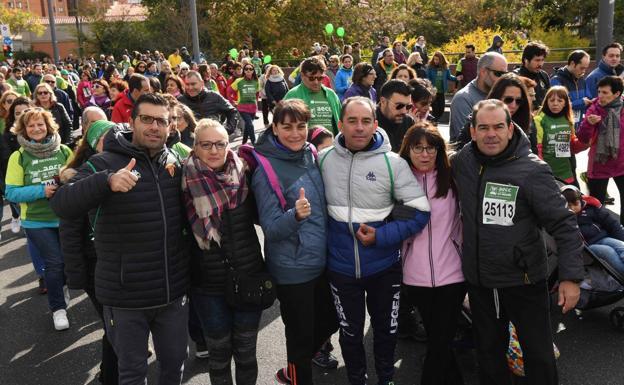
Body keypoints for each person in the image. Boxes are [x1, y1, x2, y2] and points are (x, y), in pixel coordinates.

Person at [50, 93, 190, 385]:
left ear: (170, 126)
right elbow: (62, 204)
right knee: (132, 373)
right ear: (131, 121)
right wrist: (106, 181)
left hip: (171, 292)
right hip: (125, 296)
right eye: (147, 119)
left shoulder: (174, 161)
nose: (154, 127)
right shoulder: (103, 162)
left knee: (175, 366)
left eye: (161, 121)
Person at [452, 99, 583, 385]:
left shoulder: (532, 170)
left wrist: (571, 277)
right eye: (483, 127)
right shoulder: (464, 161)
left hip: (523, 282)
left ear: (511, 129)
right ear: (472, 131)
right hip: (481, 282)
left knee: (538, 356)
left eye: (498, 126)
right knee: (488, 354)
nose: (491, 134)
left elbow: (564, 224)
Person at [319, 96, 430, 385]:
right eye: (352, 121)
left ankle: (386, 378)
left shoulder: (393, 164)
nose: (359, 128)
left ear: (375, 124)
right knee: (351, 333)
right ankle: (357, 379)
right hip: (341, 270)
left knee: (386, 331)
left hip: (384, 268)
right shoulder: (324, 160)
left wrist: (381, 236)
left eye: (366, 121)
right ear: (340, 124)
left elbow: (420, 213)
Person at [251, 99, 338, 385]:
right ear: (274, 128)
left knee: (331, 320)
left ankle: (294, 368)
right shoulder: (265, 168)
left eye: (301, 126)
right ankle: (297, 373)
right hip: (292, 269)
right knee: (300, 340)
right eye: (286, 127)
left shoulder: (310, 152)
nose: (295, 133)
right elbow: (272, 228)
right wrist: (295, 216)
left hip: (321, 260)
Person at [183, 118, 265, 385]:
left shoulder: (245, 174)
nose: (214, 150)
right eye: (206, 145)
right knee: (218, 357)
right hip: (207, 285)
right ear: (194, 148)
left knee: (245, 353)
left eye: (220, 144)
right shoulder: (182, 180)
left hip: (248, 275)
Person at [398, 123, 465, 385]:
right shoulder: (398, 180)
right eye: (418, 148)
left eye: (431, 148)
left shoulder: (454, 178)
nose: (425, 154)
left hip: (453, 273)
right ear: (408, 149)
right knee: (440, 341)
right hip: (415, 276)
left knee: (440, 340)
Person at [58, 115, 119, 384]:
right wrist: (76, 276)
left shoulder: (128, 167)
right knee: (113, 326)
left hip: (121, 261)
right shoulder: (79, 179)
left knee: (119, 324)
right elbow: (69, 233)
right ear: (95, 144)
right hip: (95, 262)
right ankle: (110, 375)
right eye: (108, 138)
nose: (116, 141)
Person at [5, 108, 73, 330]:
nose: (36, 129)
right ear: (23, 130)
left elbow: (78, 179)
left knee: (67, 263)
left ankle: (61, 287)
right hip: (36, 221)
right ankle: (58, 309)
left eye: (40, 124)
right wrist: (41, 191)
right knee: (54, 263)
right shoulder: (19, 157)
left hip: (65, 217)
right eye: (31, 126)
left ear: (49, 126)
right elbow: (12, 193)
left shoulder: (63, 151)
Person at [577, 76, 624, 224]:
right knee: (596, 205)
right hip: (599, 164)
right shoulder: (594, 108)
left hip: (621, 163)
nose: (600, 96)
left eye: (605, 92)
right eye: (599, 92)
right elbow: (583, 138)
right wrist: (588, 124)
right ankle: (599, 235)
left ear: (617, 94)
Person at [456, 73, 535, 150]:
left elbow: (533, 155)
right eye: (508, 100)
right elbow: (460, 155)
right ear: (496, 97)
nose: (513, 105)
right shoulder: (475, 121)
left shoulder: (527, 122)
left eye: (518, 101)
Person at [561, 185, 624, 276]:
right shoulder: (565, 220)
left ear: (581, 200)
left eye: (575, 204)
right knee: (608, 251)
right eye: (569, 206)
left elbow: (611, 223)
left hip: (603, 238)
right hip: (588, 248)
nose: (573, 208)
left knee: (620, 246)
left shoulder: (591, 208)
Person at [449, 52, 508, 141]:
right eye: (498, 74)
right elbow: (464, 141)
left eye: (505, 75)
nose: (502, 79)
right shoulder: (463, 99)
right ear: (483, 72)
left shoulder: (502, 95)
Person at [534, 86, 586, 184]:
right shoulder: (539, 119)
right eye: (552, 100)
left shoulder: (568, 119)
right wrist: (542, 170)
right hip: (547, 172)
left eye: (560, 100)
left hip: (566, 171)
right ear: (546, 101)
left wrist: (585, 143)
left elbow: (572, 146)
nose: (555, 104)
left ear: (565, 103)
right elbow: (538, 148)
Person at [284, 57, 341, 135]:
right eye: (311, 78)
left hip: (331, 146)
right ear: (302, 76)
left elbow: (341, 121)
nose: (316, 82)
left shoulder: (331, 94)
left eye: (320, 78)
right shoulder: (292, 95)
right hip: (303, 146)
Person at [550, 50, 591, 127]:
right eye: (581, 68)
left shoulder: (581, 79)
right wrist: (581, 102)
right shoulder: (556, 80)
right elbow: (558, 105)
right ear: (572, 64)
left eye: (585, 68)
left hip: (580, 125)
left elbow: (589, 98)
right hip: (562, 126)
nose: (583, 72)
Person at [377, 79, 415, 152]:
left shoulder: (409, 122)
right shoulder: (368, 121)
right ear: (383, 101)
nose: (404, 111)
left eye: (408, 106)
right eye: (399, 106)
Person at [513, 41, 551, 108]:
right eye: (537, 60)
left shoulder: (543, 75)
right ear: (526, 60)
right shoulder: (516, 77)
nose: (540, 64)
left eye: (542, 60)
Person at [231, 64, 260, 144]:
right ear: (244, 71)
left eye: (250, 69)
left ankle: (244, 143)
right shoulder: (239, 81)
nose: (248, 70)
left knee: (248, 126)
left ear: (253, 71)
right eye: (246, 69)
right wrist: (232, 101)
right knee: (250, 124)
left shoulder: (256, 81)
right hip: (242, 107)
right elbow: (229, 91)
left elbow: (257, 93)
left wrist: (256, 101)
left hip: (253, 107)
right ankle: (254, 142)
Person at [426, 51, 457, 120]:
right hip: (433, 92)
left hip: (442, 91)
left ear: (441, 60)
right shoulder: (430, 67)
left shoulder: (445, 68)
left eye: (437, 59)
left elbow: (449, 77)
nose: (435, 61)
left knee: (441, 110)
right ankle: (434, 122)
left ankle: (433, 121)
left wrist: (456, 78)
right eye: (434, 59)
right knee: (435, 109)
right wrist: (430, 87)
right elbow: (427, 78)